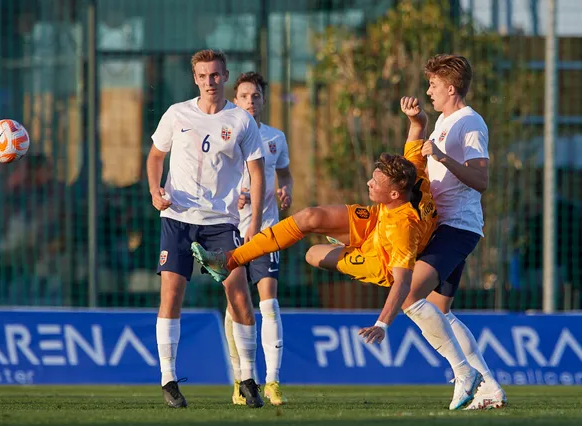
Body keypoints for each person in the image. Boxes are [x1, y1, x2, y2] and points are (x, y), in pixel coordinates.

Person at [192, 96, 436, 361]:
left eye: (376, 183)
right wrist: (415, 118)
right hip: (376, 221)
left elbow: (402, 282)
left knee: (312, 254)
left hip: (378, 260)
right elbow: (418, 129)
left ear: (395, 194)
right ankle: (230, 259)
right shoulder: (414, 174)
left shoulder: (403, 229)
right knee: (310, 216)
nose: (368, 183)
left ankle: (345, 244)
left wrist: (382, 324)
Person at [147, 49, 266, 408]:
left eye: (215, 75)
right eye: (203, 76)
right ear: (195, 78)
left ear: (225, 76)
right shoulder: (177, 114)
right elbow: (155, 157)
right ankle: (168, 379)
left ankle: (248, 378)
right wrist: (156, 192)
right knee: (171, 294)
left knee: (239, 294)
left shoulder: (241, 121)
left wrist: (256, 223)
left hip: (221, 222)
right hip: (178, 218)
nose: (209, 82)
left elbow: (258, 173)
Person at [401, 54, 506, 410]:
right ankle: (489, 385)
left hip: (458, 227)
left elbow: (481, 180)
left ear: (450, 87)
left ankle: (464, 373)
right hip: (442, 226)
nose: (428, 89)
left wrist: (444, 157)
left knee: (408, 295)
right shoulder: (444, 121)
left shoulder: (470, 122)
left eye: (433, 84)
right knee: (439, 311)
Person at [226, 72, 293, 406]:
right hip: (230, 229)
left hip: (266, 229)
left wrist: (286, 191)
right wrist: (235, 196)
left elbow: (285, 174)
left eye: (255, 96)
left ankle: (273, 381)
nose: (250, 102)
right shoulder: (227, 135)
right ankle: (240, 380)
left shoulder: (275, 138)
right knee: (235, 306)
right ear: (235, 100)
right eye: (244, 96)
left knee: (269, 303)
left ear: (263, 100)